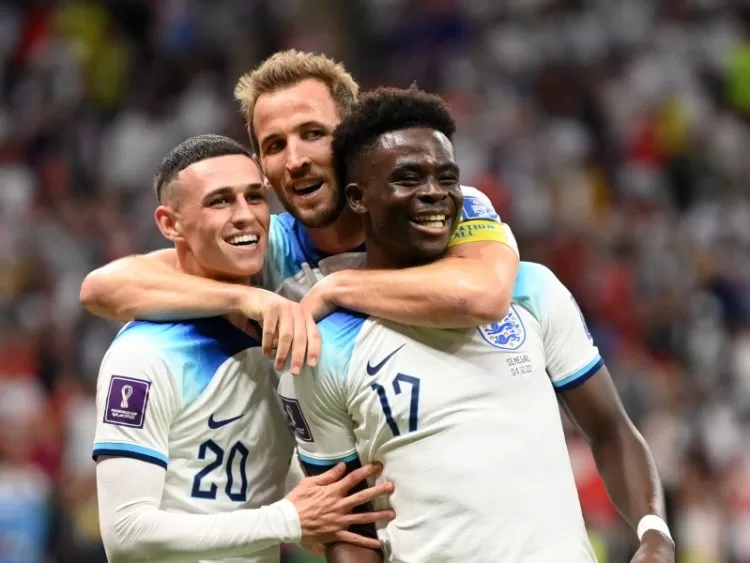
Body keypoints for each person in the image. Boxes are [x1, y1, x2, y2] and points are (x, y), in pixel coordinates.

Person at [277, 87, 676, 563]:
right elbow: (349, 528)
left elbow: (611, 430)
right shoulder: (324, 347)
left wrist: (655, 534)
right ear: (358, 198)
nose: (434, 192)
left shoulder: (530, 290)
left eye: (447, 177)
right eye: (408, 178)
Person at [78, 50, 520, 374]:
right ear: (263, 170)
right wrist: (247, 298)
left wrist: (337, 288)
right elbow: (102, 288)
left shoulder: (434, 205)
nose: (295, 160)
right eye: (275, 145)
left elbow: (481, 295)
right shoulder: (265, 249)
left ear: (352, 140)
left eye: (313, 134)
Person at [92, 134, 395, 563]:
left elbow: (252, 483)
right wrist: (287, 520)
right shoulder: (143, 354)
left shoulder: (279, 339)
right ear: (170, 224)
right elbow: (126, 533)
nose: (245, 216)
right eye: (219, 201)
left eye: (254, 197)